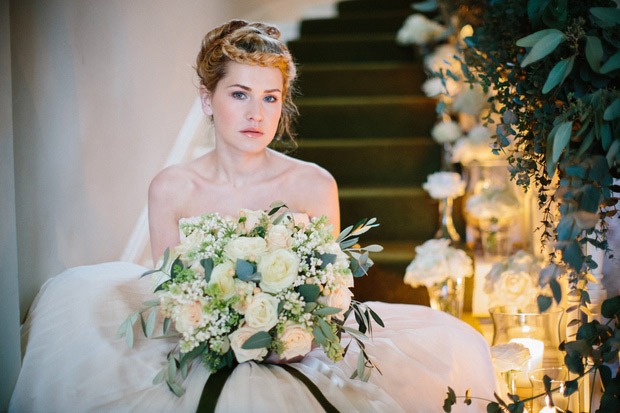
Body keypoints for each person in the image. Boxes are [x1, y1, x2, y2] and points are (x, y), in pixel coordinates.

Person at [9, 20, 497, 412]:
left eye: (270, 98)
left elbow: (330, 296)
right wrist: (227, 328)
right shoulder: (172, 188)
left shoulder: (313, 184)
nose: (256, 115)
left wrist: (292, 329)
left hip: (297, 352)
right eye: (239, 94)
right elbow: (172, 302)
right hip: (201, 348)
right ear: (208, 99)